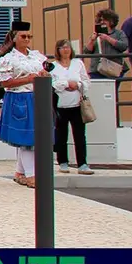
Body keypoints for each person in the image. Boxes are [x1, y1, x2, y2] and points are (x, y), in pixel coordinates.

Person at [0, 21, 50, 189]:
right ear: (14, 38)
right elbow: (5, 83)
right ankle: (31, 174)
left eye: (29, 36)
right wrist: (28, 78)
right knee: (26, 138)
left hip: (37, 96)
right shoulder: (8, 59)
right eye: (23, 36)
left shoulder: (37, 56)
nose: (26, 39)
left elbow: (48, 71)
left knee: (34, 137)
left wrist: (44, 74)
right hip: (19, 97)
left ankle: (20, 171)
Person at [51, 38, 93, 174]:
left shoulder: (78, 63)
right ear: (58, 50)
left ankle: (82, 163)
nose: (66, 50)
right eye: (62, 47)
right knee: (61, 134)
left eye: (68, 47)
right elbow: (52, 84)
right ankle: (63, 162)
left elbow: (86, 81)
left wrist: (78, 85)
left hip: (76, 105)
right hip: (61, 105)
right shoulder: (54, 66)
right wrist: (66, 84)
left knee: (80, 135)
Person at [85, 8, 130, 79]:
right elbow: (87, 51)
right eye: (100, 20)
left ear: (111, 21)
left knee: (113, 89)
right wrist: (92, 40)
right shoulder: (96, 35)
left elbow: (123, 46)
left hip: (114, 68)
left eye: (104, 20)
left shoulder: (119, 33)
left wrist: (108, 38)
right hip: (97, 69)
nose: (102, 22)